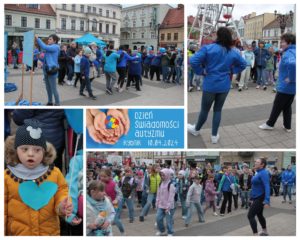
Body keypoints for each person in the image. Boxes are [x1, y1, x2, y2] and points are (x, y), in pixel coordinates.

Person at [4, 119, 73, 236]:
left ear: (44, 152)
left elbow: (62, 191)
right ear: (16, 151)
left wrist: (62, 205)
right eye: (24, 149)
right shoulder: (6, 177)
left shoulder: (54, 173)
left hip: (49, 233)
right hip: (18, 233)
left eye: (37, 150)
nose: (31, 154)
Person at [187, 27, 247, 144]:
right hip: (224, 85)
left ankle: (196, 129)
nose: (213, 35)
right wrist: (232, 71)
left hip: (210, 84)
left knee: (204, 110)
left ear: (218, 36)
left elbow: (193, 61)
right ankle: (214, 136)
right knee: (218, 110)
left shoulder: (208, 48)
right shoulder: (233, 52)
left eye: (215, 34)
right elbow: (243, 64)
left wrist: (201, 71)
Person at [259, 33, 296, 132]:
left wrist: (291, 78)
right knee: (287, 107)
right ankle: (287, 126)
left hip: (285, 86)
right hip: (292, 87)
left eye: (283, 42)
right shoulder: (294, 51)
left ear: (289, 42)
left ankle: (270, 124)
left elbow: (293, 64)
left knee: (277, 106)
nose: (281, 44)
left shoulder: (289, 53)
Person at [35, 34, 61, 106]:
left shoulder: (55, 47)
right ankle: (50, 101)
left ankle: (57, 103)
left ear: (54, 41)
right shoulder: (49, 48)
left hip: (52, 70)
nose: (48, 40)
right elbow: (44, 59)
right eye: (48, 39)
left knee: (53, 88)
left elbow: (44, 46)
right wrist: (38, 56)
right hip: (46, 70)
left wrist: (38, 39)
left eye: (50, 39)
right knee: (48, 88)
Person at [247, 157, 271, 236]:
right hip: (256, 197)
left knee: (250, 215)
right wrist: (251, 198)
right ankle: (265, 231)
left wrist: (267, 200)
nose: (255, 163)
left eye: (257, 162)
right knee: (259, 215)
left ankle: (255, 235)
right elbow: (255, 186)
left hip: (260, 197)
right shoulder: (258, 172)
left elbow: (267, 186)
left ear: (262, 165)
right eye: (255, 162)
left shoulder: (263, 173)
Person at [99, 168, 125, 235]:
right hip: (103, 206)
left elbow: (120, 194)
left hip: (114, 205)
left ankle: (122, 231)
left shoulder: (113, 184)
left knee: (115, 220)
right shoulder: (98, 184)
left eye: (105, 176)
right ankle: (107, 233)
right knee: (104, 220)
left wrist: (116, 199)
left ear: (109, 176)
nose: (102, 178)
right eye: (101, 176)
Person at [156, 168, 176, 236]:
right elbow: (158, 194)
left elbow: (171, 197)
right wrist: (157, 202)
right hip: (161, 205)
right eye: (161, 175)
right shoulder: (160, 183)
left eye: (163, 175)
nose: (162, 177)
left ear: (167, 175)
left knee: (168, 221)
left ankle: (170, 232)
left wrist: (168, 207)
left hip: (169, 207)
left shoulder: (171, 185)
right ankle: (162, 230)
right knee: (158, 218)